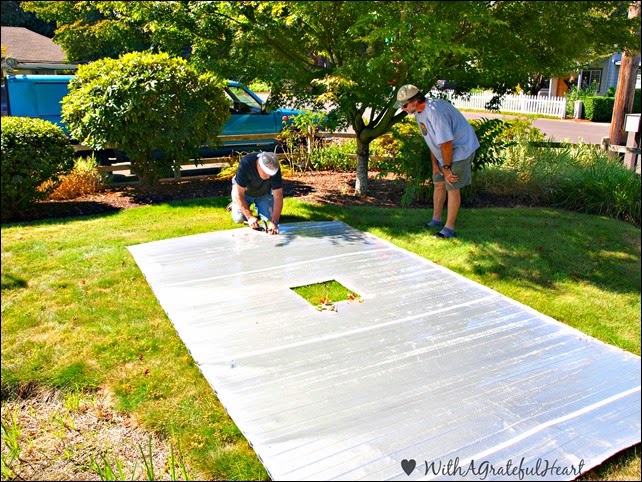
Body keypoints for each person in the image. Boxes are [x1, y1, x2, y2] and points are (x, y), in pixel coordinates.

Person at [396, 84, 480, 238]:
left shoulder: (435, 112)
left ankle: (449, 229)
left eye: (405, 105)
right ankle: (436, 220)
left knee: (452, 185)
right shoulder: (419, 113)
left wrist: (447, 168)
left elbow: (446, 143)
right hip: (445, 151)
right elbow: (431, 139)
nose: (403, 109)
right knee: (438, 182)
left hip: (461, 148)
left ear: (415, 101)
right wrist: (436, 165)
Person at [229, 151, 283, 235]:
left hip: (263, 194)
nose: (269, 177)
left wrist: (274, 222)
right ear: (259, 165)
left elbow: (278, 196)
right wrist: (249, 217)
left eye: (271, 174)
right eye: (266, 173)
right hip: (244, 194)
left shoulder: (274, 167)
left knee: (269, 218)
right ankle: (235, 204)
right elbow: (239, 194)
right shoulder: (246, 164)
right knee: (238, 219)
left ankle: (256, 205)